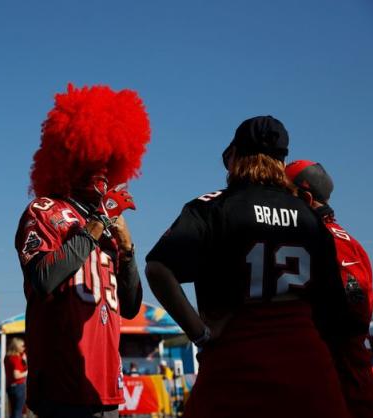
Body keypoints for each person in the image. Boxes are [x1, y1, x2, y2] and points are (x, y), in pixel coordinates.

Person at [145, 116, 351, 418]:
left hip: (236, 357)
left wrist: (199, 333)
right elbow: (333, 305)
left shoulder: (212, 206)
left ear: (235, 157)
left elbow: (158, 268)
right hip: (307, 364)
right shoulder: (309, 216)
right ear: (282, 161)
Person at [15, 84, 149, 418]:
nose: (101, 170)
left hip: (105, 383)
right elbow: (43, 279)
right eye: (93, 158)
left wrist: (128, 251)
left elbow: (131, 308)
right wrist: (89, 234)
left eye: (107, 160)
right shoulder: (43, 210)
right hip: (61, 383)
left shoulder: (107, 225)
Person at [286, 159, 373, 418]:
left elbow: (353, 311)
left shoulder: (330, 241)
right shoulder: (343, 238)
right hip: (342, 381)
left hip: (343, 387)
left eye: (284, 195)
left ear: (304, 198)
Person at [4, 337, 27, 418]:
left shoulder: (8, 357)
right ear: (16, 347)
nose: (24, 347)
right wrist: (27, 372)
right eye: (22, 346)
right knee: (18, 411)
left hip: (10, 386)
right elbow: (16, 375)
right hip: (18, 386)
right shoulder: (16, 358)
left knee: (13, 410)